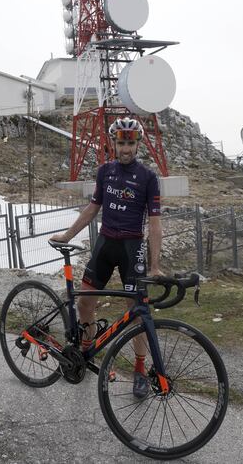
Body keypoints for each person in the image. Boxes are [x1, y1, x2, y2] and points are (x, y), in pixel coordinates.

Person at [50, 116, 163, 398]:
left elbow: (156, 223)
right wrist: (68, 235)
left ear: (138, 145)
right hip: (104, 244)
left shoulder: (148, 178)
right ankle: (86, 354)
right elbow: (92, 208)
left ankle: (139, 371)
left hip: (132, 247)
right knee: (86, 303)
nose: (125, 149)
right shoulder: (105, 171)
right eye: (121, 143)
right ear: (113, 143)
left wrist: (156, 265)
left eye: (130, 143)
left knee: (135, 312)